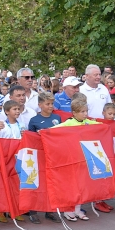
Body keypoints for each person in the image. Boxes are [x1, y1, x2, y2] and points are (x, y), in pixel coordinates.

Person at [53, 96, 100, 221]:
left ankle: (78, 210)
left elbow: (100, 126)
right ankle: (68, 211)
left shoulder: (87, 122)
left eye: (86, 111)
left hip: (84, 159)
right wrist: (43, 131)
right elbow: (54, 130)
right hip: (72, 159)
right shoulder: (69, 123)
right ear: (74, 113)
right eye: (82, 112)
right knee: (72, 185)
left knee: (82, 185)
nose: (85, 114)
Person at [25, 92, 62, 223]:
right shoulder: (34, 120)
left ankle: (50, 211)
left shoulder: (57, 118)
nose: (50, 106)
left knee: (51, 183)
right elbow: (29, 139)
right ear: (40, 105)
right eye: (47, 104)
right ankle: (33, 211)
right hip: (37, 157)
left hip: (52, 156)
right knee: (35, 182)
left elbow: (61, 136)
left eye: (52, 103)